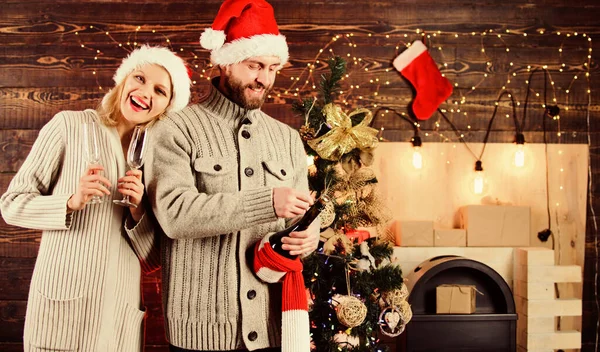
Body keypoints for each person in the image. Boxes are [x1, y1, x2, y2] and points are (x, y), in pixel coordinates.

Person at [144, 0, 319, 351]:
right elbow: (175, 215)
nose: (264, 79)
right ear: (224, 61)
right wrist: (266, 201)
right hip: (202, 330)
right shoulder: (176, 129)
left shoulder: (286, 138)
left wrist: (309, 237)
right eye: (254, 65)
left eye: (272, 68)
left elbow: (300, 216)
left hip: (272, 326)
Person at [0, 45, 191, 352]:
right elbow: (11, 205)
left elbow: (154, 257)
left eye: (160, 90)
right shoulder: (69, 126)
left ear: (166, 106)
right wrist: (70, 202)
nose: (145, 92)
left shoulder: (156, 159)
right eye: (139, 78)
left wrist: (137, 210)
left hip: (116, 318)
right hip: (61, 309)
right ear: (124, 79)